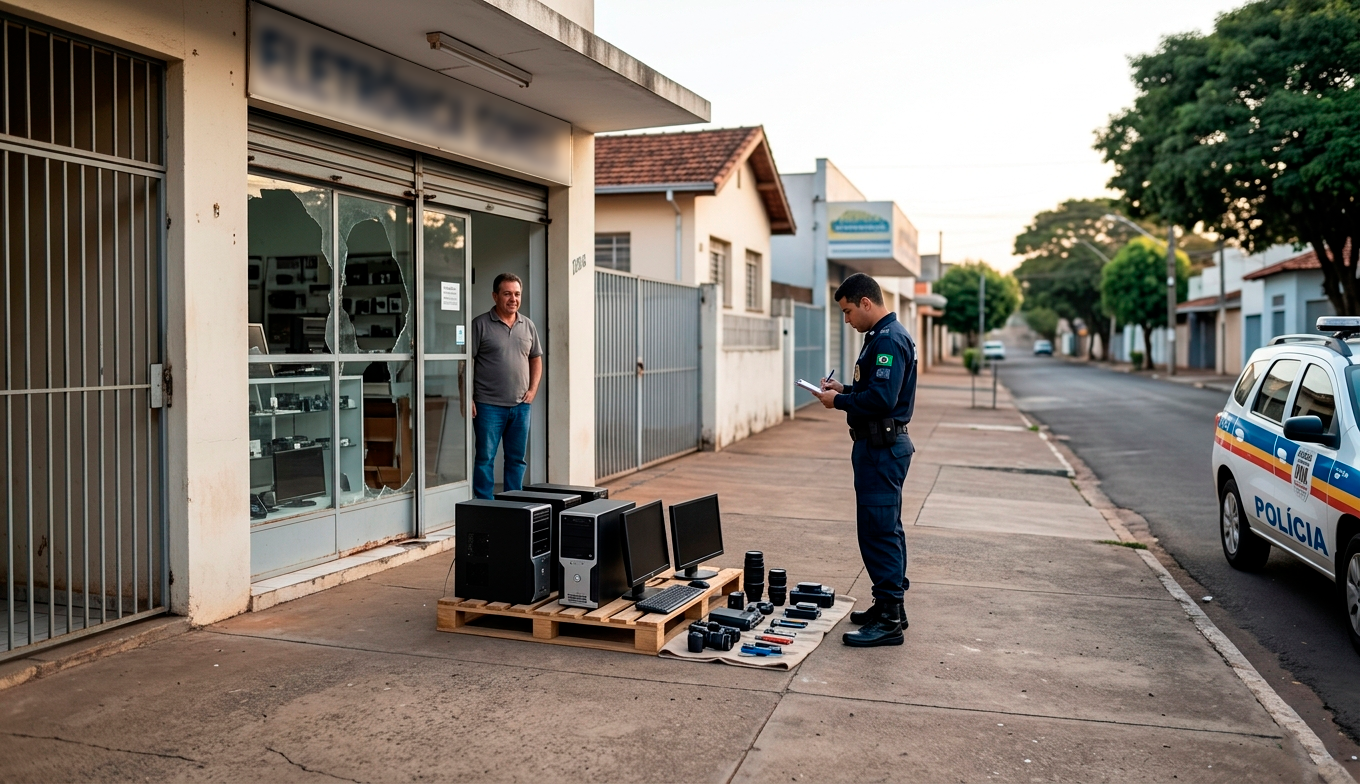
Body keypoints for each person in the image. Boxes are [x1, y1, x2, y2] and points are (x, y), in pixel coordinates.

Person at [813, 273, 916, 647]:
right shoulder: (883, 337)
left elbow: (883, 400)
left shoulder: (888, 340)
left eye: (848, 311)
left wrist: (838, 402)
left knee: (879, 531)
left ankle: (888, 619)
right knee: (885, 528)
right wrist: (845, 389)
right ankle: (890, 606)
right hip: (880, 448)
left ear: (866, 303)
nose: (847, 320)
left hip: (881, 449)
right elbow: (875, 390)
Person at [469, 273, 543, 499]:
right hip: (487, 405)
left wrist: (533, 389)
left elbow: (536, 358)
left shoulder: (528, 325)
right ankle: (485, 506)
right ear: (495, 296)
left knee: (516, 459)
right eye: (507, 293)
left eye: (517, 294)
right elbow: (466, 363)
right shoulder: (480, 324)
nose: (513, 298)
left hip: (521, 406)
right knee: (485, 458)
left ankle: (512, 505)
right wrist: (468, 398)